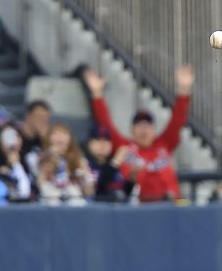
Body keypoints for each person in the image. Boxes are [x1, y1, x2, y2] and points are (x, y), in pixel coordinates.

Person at [83, 65, 194, 202]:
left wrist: (184, 90)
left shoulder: (164, 143)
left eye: (147, 125)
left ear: (154, 129)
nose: (144, 129)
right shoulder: (124, 146)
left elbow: (177, 121)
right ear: (132, 130)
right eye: (139, 125)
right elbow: (105, 123)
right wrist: (97, 93)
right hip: (139, 208)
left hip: (169, 207)